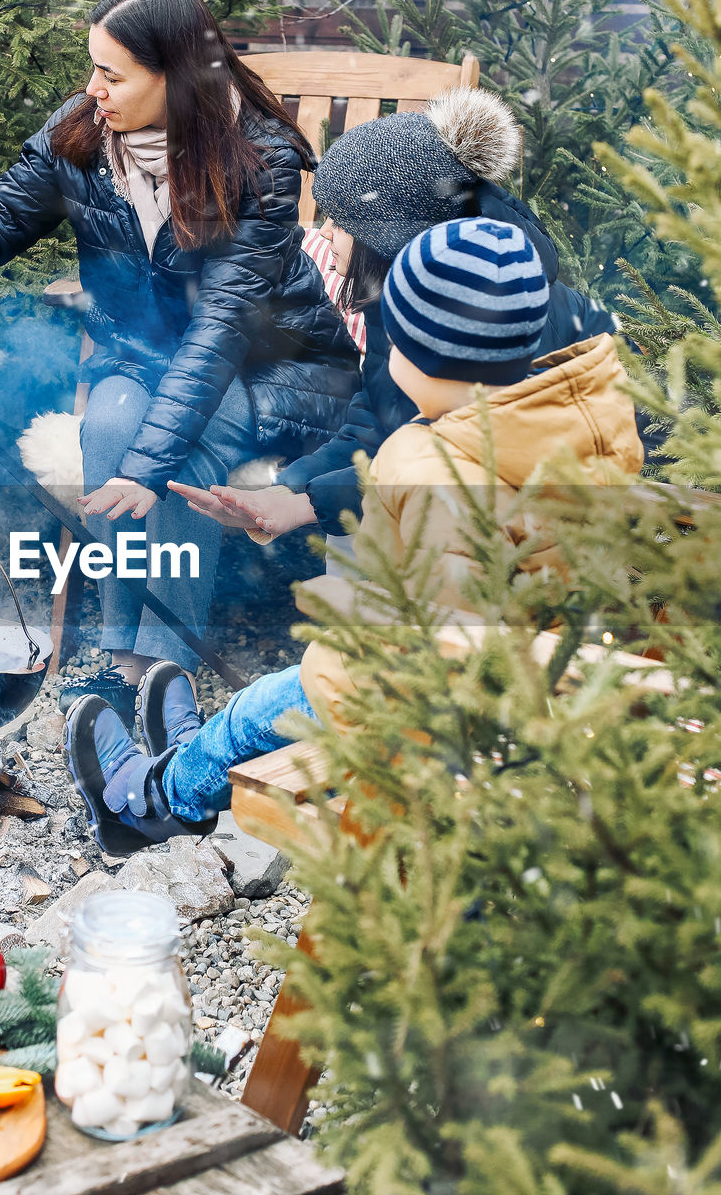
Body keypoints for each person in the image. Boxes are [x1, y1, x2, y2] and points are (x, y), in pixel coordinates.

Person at [0, 0, 361, 726]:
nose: (91, 88)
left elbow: (220, 330)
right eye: (92, 68)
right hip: (142, 357)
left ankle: (161, 671)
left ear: (174, 78)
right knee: (109, 425)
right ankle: (128, 662)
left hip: (269, 369)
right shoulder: (81, 135)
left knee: (168, 456)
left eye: (111, 73)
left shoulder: (257, 163)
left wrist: (146, 468)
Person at [63, 218, 645, 853]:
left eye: (396, 343)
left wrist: (340, 622)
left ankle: (150, 798)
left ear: (427, 357)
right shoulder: (570, 408)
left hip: (428, 717)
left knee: (255, 713)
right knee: (274, 699)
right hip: (545, 675)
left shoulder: (427, 464)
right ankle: (182, 757)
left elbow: (431, 646)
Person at [169, 86, 623, 544]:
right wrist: (287, 490)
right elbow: (379, 420)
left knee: (364, 533)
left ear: (390, 237)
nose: (324, 235)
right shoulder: (405, 294)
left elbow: (444, 461)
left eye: (341, 223)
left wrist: (309, 504)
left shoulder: (491, 315)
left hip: (543, 518)